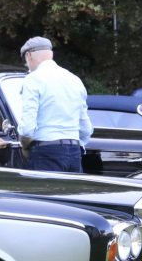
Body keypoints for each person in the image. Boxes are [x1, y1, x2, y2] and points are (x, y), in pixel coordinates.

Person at [17, 36, 92, 172]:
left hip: (46, 152)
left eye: (25, 62)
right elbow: (86, 129)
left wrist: (25, 147)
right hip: (74, 152)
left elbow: (27, 129)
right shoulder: (74, 80)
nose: (27, 66)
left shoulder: (33, 79)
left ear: (29, 55)